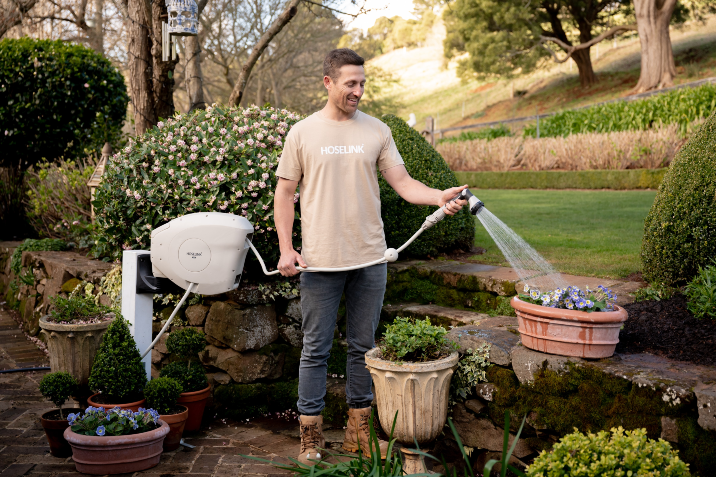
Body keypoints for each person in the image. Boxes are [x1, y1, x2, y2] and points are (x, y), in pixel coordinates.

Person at [273, 48, 467, 465]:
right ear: (328, 83)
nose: (358, 91)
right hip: (320, 263)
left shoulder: (376, 130)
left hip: (370, 259)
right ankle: (310, 435)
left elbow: (403, 182)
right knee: (315, 349)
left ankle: (358, 433)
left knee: (364, 347)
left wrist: (439, 197)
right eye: (350, 84)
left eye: (362, 83)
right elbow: (285, 194)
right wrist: (287, 249)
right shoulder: (302, 133)